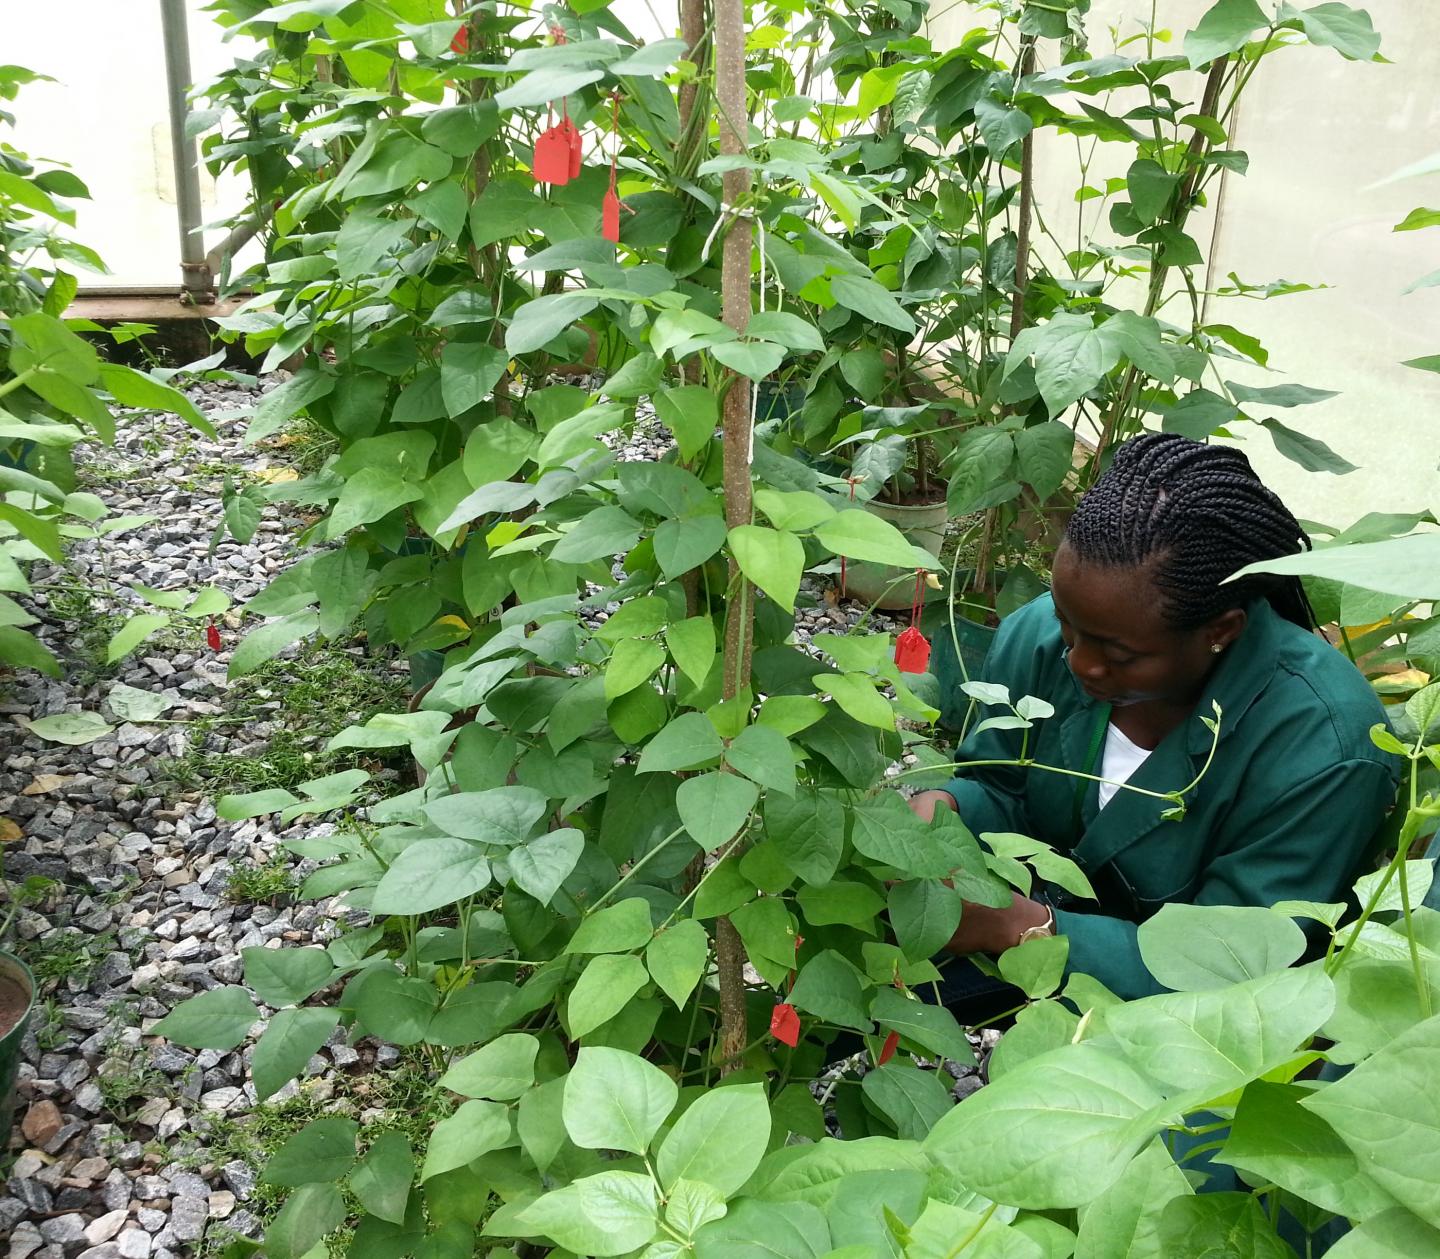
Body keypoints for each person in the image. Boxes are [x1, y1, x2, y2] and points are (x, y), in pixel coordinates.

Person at [909, 433, 1400, 1009]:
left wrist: (1024, 928)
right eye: (1069, 623)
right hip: (1038, 917)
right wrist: (948, 807)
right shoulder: (1042, 636)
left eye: (1119, 656)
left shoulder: (1324, 748)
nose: (1079, 662)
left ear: (1222, 630)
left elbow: (1234, 970)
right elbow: (1001, 784)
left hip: (1192, 1014)